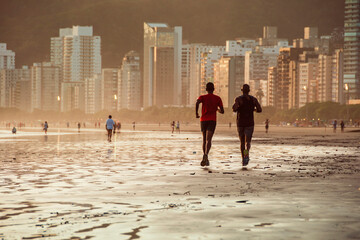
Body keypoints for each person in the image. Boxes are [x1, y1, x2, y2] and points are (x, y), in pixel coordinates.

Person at [232, 84, 262, 167]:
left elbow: (234, 109)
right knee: (247, 142)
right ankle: (246, 155)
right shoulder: (253, 99)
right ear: (249, 90)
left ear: (241, 90)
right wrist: (253, 109)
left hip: (240, 123)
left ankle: (243, 158)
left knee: (242, 142)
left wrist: (237, 107)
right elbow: (259, 110)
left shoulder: (238, 99)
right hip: (249, 123)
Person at [196, 82, 224, 166]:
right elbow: (222, 111)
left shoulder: (202, 97)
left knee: (204, 139)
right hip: (212, 120)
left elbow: (197, 102)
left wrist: (196, 113)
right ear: (213, 89)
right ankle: (206, 155)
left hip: (203, 120)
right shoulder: (217, 98)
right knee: (209, 139)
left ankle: (205, 156)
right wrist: (217, 110)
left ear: (206, 89)